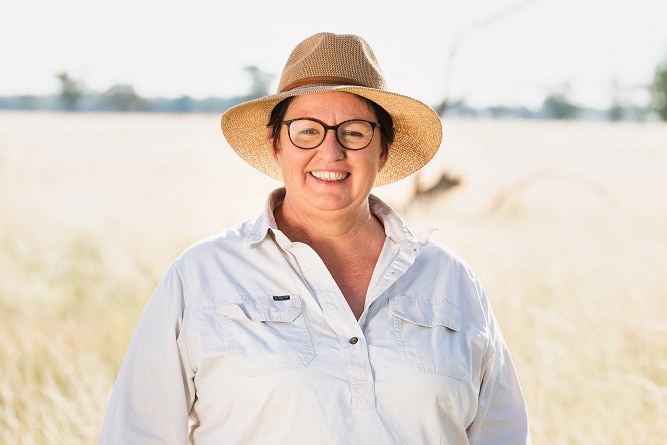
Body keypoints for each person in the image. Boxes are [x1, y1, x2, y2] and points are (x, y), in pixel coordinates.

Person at [99, 32, 531, 444]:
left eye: (355, 131)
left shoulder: (452, 281)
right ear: (276, 145)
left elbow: (503, 436)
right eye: (306, 130)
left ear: (383, 148)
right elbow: (137, 434)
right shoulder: (200, 277)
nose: (330, 151)